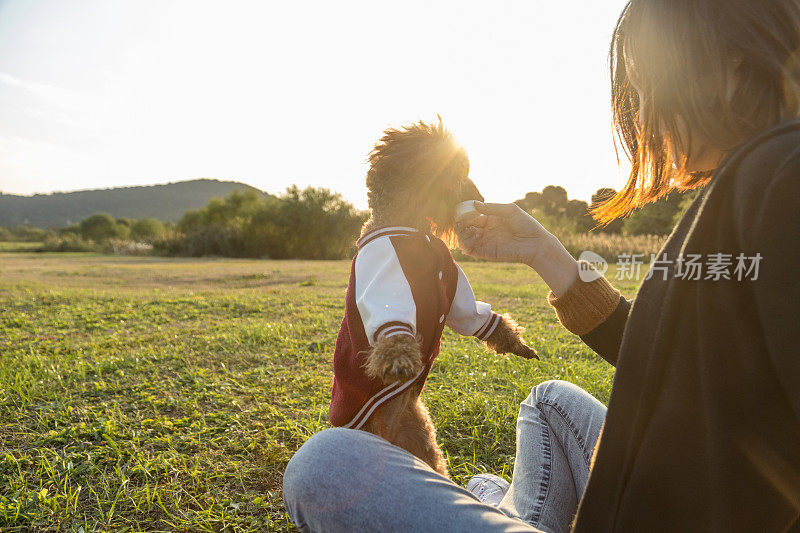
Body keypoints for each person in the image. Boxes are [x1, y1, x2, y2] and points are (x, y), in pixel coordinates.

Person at [283, 0, 800, 530]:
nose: (640, 114)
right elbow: (676, 362)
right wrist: (544, 252)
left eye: (646, 85)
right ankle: (503, 505)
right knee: (550, 402)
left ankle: (498, 506)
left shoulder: (779, 172)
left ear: (730, 64)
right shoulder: (757, 178)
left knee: (325, 464)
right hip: (656, 483)